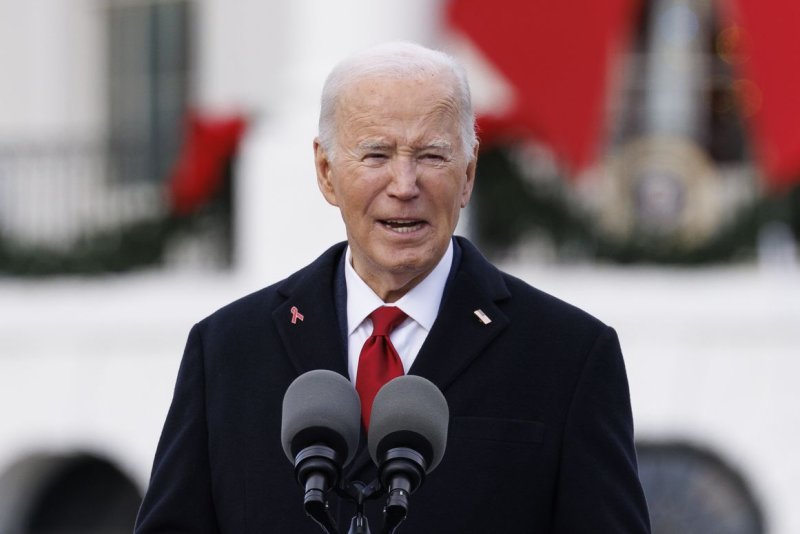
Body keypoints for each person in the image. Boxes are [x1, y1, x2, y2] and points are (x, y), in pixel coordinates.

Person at [135, 42, 651, 533]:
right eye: (377, 155)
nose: (404, 186)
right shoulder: (228, 349)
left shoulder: (569, 355)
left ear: (468, 174)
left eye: (431, 156)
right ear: (326, 172)